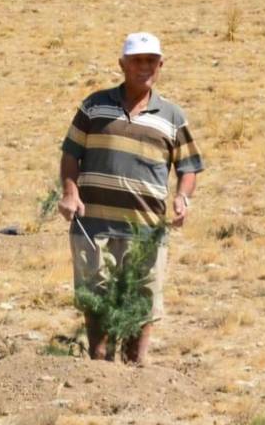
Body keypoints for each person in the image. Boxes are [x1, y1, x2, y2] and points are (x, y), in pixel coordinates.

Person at [58, 32, 203, 363]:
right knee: (95, 295)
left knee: (143, 296)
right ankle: (99, 364)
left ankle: (135, 367)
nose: (144, 67)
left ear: (161, 65)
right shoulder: (94, 106)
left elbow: (189, 167)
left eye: (151, 61)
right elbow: (70, 153)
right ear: (122, 64)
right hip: (93, 223)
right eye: (137, 61)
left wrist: (183, 198)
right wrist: (70, 191)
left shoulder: (172, 117)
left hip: (146, 228)